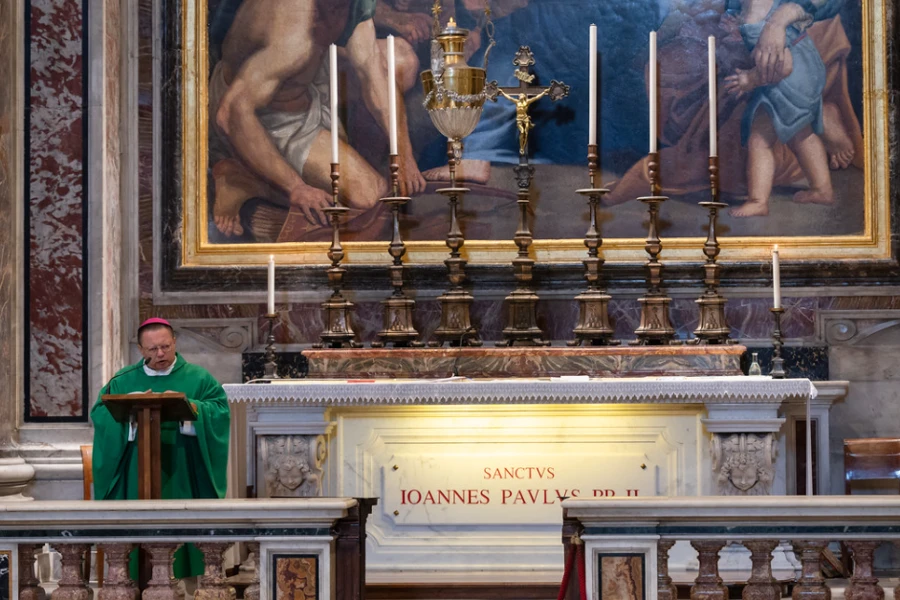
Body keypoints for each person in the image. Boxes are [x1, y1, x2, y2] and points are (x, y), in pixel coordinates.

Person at [209, 0, 425, 240]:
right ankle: (241, 180)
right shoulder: (294, 25)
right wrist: (296, 187)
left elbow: (371, 72)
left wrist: (403, 153)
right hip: (267, 116)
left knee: (400, 60)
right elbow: (230, 113)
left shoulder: (349, 5)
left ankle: (349, 158)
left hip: (308, 82)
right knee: (370, 195)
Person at [91, 318, 230, 579]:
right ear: (141, 350)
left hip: (181, 464)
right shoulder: (122, 380)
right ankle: (133, 581)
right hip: (136, 467)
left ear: (175, 342)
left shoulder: (199, 378)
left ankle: (185, 582)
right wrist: (129, 414)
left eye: (166, 346)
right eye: (153, 349)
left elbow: (220, 412)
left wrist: (192, 409)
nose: (161, 354)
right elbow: (100, 414)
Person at [723, 0, 834, 217]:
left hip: (789, 80)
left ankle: (758, 201)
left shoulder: (759, 17)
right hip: (801, 75)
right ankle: (822, 189)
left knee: (759, 140)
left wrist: (750, 79)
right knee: (802, 134)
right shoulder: (754, 8)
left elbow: (783, 65)